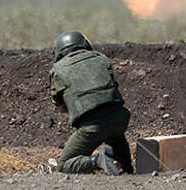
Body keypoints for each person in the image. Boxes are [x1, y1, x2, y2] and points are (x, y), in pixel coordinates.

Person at [49, 30, 133, 175]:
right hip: (120, 118)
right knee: (115, 135)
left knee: (64, 164)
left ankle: (98, 160)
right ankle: (127, 167)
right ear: (84, 44)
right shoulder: (101, 58)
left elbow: (61, 107)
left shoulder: (58, 70)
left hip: (92, 127)